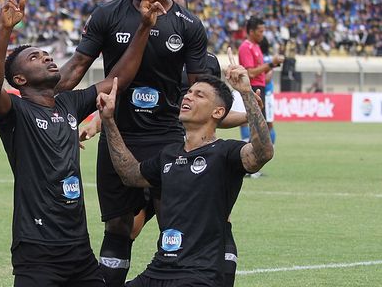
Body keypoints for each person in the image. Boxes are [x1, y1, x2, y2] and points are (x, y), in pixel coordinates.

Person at [0, 0, 166, 287]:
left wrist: (144, 27)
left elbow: (118, 78)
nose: (47, 57)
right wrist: (5, 31)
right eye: (35, 58)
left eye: (46, 54)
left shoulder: (69, 103)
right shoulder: (16, 112)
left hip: (79, 250)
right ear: (19, 79)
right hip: (37, 249)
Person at [56, 0, 208, 286]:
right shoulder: (108, 14)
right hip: (116, 131)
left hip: (165, 136)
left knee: (172, 218)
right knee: (119, 224)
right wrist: (40, 96)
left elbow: (201, 87)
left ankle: (172, 278)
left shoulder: (188, 25)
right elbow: (77, 66)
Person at [98, 50, 275, 287]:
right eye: (189, 92)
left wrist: (245, 92)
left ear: (218, 112)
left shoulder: (226, 153)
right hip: (158, 270)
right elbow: (130, 174)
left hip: (199, 274)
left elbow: (263, 153)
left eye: (199, 95)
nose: (188, 97)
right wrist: (109, 121)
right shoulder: (168, 155)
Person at [238, 17, 283, 148]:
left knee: (260, 124)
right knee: (257, 124)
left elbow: (261, 71)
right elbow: (250, 73)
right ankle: (249, 156)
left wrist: (273, 65)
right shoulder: (246, 47)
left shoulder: (256, 47)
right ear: (251, 32)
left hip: (260, 87)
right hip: (253, 88)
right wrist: (271, 64)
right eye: (260, 31)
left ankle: (255, 154)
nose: (262, 35)